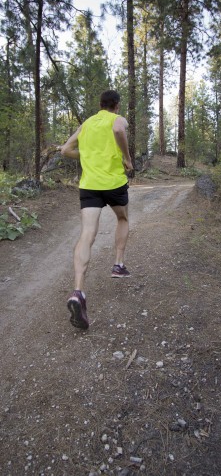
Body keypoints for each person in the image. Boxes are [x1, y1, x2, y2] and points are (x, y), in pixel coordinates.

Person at [61, 90, 133, 330]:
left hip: (89, 185)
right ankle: (118, 265)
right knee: (122, 218)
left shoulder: (87, 123)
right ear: (116, 105)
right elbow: (119, 131)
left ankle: (79, 291)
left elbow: (65, 150)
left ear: (100, 104)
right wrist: (127, 158)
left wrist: (88, 155)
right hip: (113, 183)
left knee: (87, 234)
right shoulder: (118, 119)